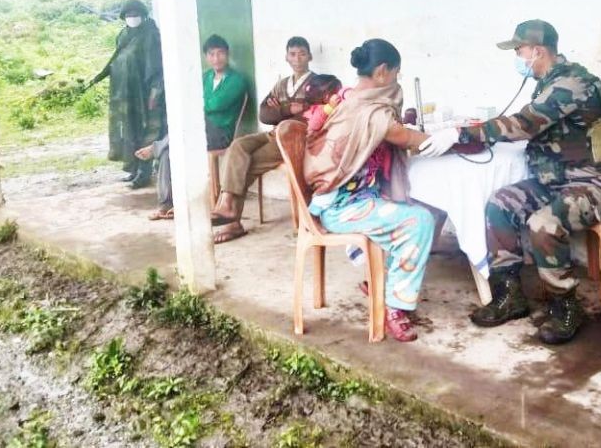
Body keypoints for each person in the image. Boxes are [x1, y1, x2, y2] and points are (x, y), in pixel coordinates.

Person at [420, 20, 601, 345]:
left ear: (537, 50)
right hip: (554, 181)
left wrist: (462, 133)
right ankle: (509, 296)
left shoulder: (573, 83)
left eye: (519, 49)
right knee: (499, 204)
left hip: (595, 186)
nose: (516, 55)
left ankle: (565, 308)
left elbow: (526, 124)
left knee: (544, 224)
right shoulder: (548, 81)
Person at [304, 39, 434, 342]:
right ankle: (394, 306)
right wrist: (444, 138)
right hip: (342, 206)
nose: (397, 81)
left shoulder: (348, 98)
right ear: (382, 72)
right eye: (397, 74)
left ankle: (380, 281)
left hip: (353, 197)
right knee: (419, 221)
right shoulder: (369, 111)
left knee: (407, 206)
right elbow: (402, 136)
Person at [212, 36, 320, 242]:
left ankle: (232, 221)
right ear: (286, 58)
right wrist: (288, 108)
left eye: (302, 54)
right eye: (293, 54)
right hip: (273, 132)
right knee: (238, 146)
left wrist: (279, 109)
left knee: (245, 163)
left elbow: (309, 113)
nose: (297, 59)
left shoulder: (317, 83)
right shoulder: (282, 84)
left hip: (294, 138)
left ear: (310, 56)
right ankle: (226, 202)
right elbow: (264, 114)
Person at [139, 34, 246, 220]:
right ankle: (166, 205)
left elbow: (215, 104)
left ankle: (156, 146)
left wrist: (199, 104)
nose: (216, 58)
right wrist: (199, 104)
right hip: (199, 131)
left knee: (192, 121)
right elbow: (191, 101)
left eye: (220, 53)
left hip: (220, 134)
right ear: (206, 57)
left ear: (227, 55)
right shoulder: (205, 77)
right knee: (169, 151)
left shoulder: (237, 80)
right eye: (212, 54)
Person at [88, 0, 164, 189]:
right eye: (128, 16)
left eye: (135, 15)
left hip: (144, 94)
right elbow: (116, 59)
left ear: (143, 15)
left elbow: (157, 67)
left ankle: (144, 173)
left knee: (147, 131)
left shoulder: (151, 36)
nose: (132, 18)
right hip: (125, 94)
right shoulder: (123, 35)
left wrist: (155, 92)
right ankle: (134, 169)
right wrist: (99, 76)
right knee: (130, 130)